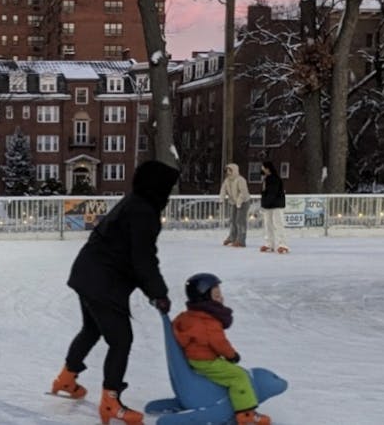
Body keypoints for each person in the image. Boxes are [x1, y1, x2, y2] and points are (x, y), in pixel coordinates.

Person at [50, 160, 179, 425]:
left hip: (87, 274)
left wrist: (153, 291)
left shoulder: (134, 202)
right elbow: (142, 259)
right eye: (168, 188)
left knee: (91, 330)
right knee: (121, 340)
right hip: (102, 281)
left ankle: (66, 377)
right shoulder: (144, 211)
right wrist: (159, 293)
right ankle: (110, 401)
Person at [172, 273, 272, 425]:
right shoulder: (208, 321)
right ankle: (246, 413)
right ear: (204, 298)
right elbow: (219, 342)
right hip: (205, 361)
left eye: (220, 294)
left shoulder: (189, 316)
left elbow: (177, 326)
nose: (221, 298)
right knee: (238, 376)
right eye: (217, 295)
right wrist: (232, 356)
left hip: (195, 358)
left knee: (230, 372)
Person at [259, 161, 289, 254]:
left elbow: (273, 193)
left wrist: (266, 203)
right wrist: (264, 204)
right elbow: (265, 193)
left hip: (276, 204)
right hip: (268, 205)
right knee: (268, 224)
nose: (262, 169)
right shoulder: (266, 179)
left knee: (278, 223)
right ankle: (269, 243)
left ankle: (282, 244)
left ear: (268, 168)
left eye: (263, 167)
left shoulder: (275, 179)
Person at [220, 163, 250, 247]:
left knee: (240, 221)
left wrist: (239, 202)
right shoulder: (227, 180)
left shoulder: (240, 180)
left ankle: (241, 240)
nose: (228, 172)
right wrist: (221, 199)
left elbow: (243, 192)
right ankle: (232, 237)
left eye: (230, 170)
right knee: (233, 220)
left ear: (234, 170)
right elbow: (223, 190)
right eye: (227, 170)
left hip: (243, 202)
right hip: (233, 202)